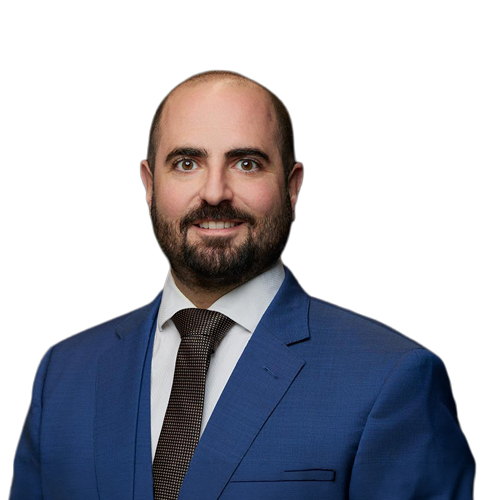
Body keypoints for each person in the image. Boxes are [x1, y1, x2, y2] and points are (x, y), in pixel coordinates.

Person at [10, 70, 475, 500]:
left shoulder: (392, 380)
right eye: (186, 163)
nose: (215, 192)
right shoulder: (63, 377)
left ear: (292, 187)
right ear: (150, 185)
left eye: (247, 164)